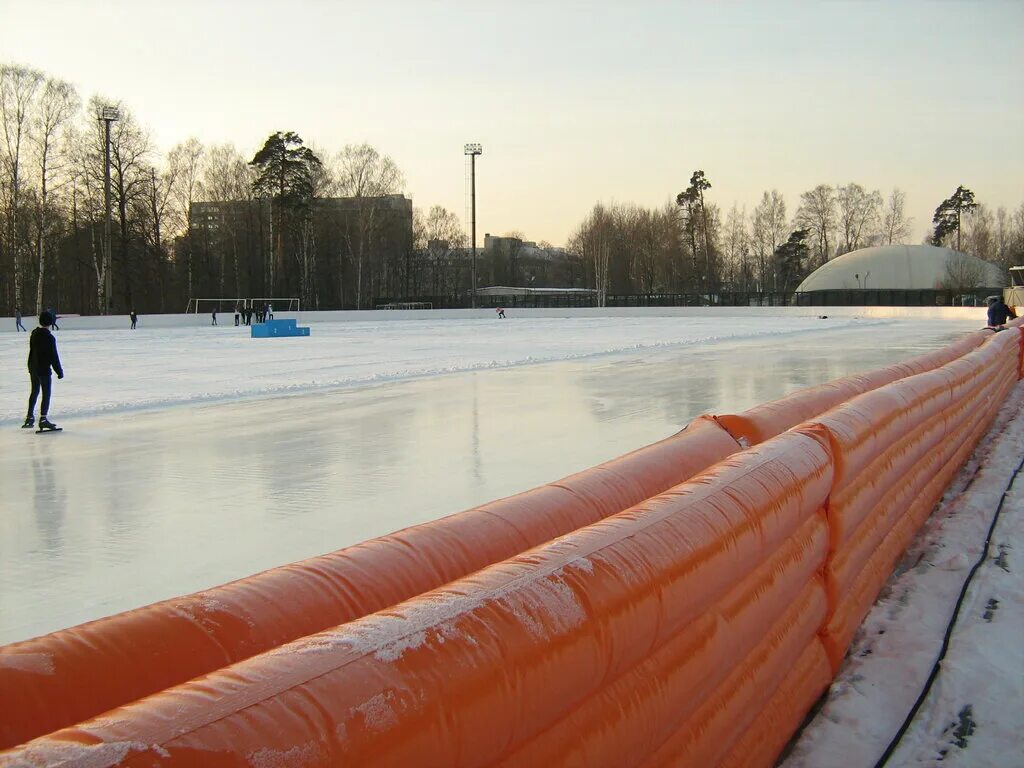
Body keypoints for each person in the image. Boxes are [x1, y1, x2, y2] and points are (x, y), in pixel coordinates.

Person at [23, 311, 63, 431]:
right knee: (46, 393)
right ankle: (43, 419)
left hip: (33, 367)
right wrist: (59, 371)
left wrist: (30, 366)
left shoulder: (34, 334)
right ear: (50, 322)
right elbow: (53, 356)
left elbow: (32, 351)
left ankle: (30, 417)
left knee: (34, 392)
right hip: (44, 369)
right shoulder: (49, 337)